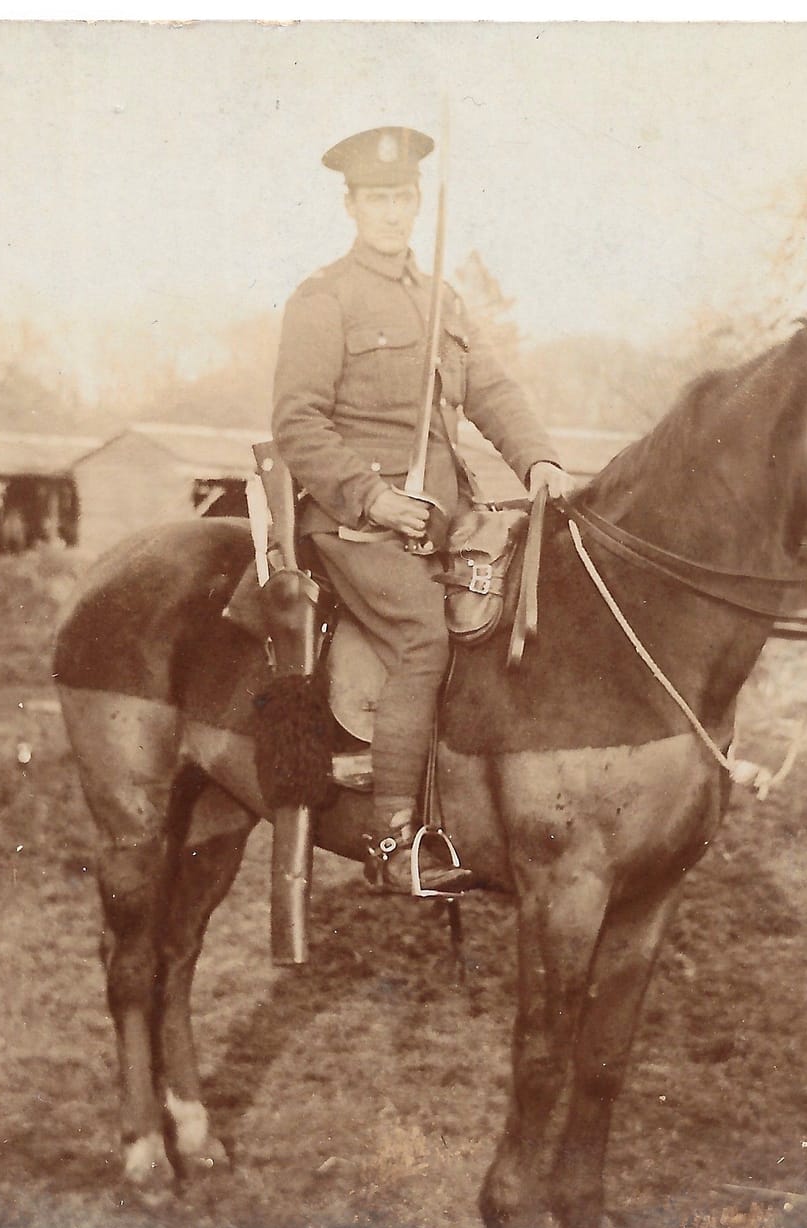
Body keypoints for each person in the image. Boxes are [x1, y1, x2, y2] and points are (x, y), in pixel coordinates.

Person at [272, 124, 573, 895]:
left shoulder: (442, 300)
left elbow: (493, 390)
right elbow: (298, 421)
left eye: (402, 197)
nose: (391, 211)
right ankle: (395, 837)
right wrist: (372, 498)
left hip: (443, 521)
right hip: (353, 525)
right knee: (422, 637)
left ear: (417, 202)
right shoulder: (324, 298)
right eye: (376, 198)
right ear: (350, 204)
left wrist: (537, 458)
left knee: (513, 614)